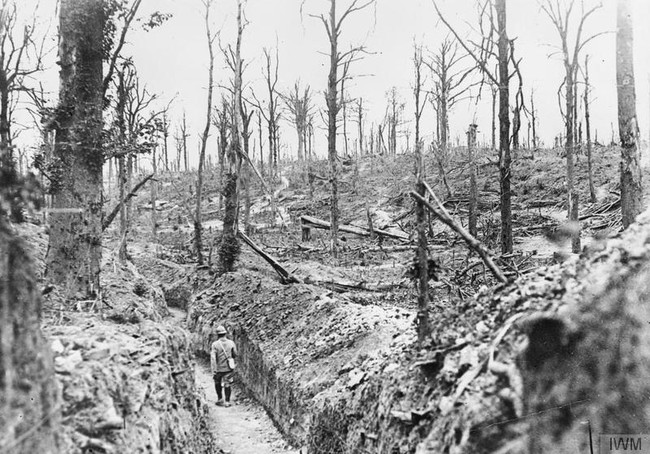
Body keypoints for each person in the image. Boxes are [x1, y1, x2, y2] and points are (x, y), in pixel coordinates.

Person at [210, 325, 237, 407]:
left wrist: (214, 369)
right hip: (228, 368)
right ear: (225, 333)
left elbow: (213, 358)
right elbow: (235, 354)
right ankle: (227, 401)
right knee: (227, 383)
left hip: (218, 368)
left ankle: (220, 399)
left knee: (217, 383)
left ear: (217, 335)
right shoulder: (231, 343)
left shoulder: (215, 344)